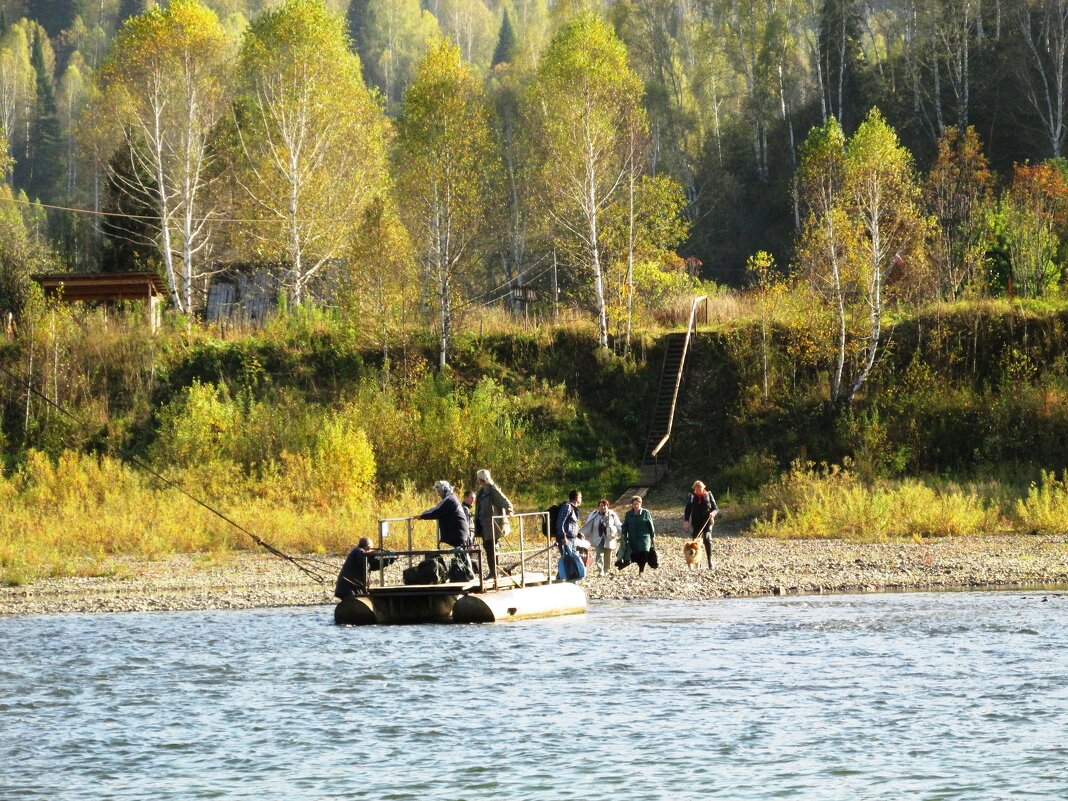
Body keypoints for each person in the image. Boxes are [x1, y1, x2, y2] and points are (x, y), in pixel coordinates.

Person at [475, 469, 513, 576]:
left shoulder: (493, 490)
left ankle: (493, 573)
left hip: (493, 525)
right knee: (487, 548)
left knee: (491, 548)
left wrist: (510, 511)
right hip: (483, 525)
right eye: (479, 480)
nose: (480, 482)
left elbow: (505, 502)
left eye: (481, 480)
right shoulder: (481, 492)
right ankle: (493, 572)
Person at [417, 480, 470, 548]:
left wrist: (422, 516)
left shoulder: (449, 499)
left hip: (457, 534)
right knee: (460, 555)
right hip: (458, 533)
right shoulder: (451, 497)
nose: (438, 494)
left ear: (445, 489)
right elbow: (438, 508)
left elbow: (437, 510)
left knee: (460, 555)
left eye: (439, 491)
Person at [579, 498, 622, 576]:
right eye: (601, 506)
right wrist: (581, 534)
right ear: (598, 507)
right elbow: (587, 525)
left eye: (605, 506)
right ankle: (601, 571)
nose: (603, 507)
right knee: (599, 555)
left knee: (608, 555)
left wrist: (622, 533)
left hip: (609, 538)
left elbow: (618, 524)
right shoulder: (593, 514)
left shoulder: (612, 514)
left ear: (607, 506)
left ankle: (606, 570)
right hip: (597, 537)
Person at [683, 480, 718, 569]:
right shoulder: (691, 497)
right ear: (694, 489)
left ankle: (710, 561)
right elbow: (687, 509)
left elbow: (715, 508)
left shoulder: (709, 494)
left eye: (700, 489)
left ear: (704, 488)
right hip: (696, 522)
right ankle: (697, 561)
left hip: (707, 521)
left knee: (706, 538)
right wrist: (686, 521)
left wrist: (713, 513)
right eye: (696, 489)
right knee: (695, 543)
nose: (698, 491)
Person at [621, 495, 655, 575]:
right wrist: (624, 534)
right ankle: (629, 564)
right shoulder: (628, 514)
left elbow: (651, 525)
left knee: (643, 553)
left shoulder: (645, 513)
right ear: (632, 505)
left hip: (644, 537)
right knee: (634, 553)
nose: (636, 506)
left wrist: (653, 536)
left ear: (641, 504)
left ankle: (641, 570)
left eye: (638, 504)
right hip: (633, 537)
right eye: (634, 504)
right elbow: (625, 525)